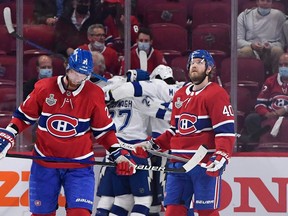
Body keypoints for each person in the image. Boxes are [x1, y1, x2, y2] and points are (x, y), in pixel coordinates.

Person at [0, 48, 136, 216]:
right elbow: (23, 117)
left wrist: (118, 154)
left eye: (83, 75)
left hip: (79, 167)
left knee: (80, 213)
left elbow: (104, 132)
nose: (78, 79)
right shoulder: (44, 87)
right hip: (45, 164)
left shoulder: (94, 94)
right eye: (75, 73)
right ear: (67, 68)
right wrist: (10, 133)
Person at [133, 49, 236, 216]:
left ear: (209, 68)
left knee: (206, 212)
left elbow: (225, 132)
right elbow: (175, 131)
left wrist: (221, 156)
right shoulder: (180, 95)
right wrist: (153, 145)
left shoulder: (217, 94)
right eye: (192, 63)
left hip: (203, 164)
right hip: (177, 165)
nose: (194, 66)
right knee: (173, 211)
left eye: (199, 62)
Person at [95, 69, 171, 216]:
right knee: (144, 201)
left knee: (117, 199)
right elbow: (165, 112)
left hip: (114, 149)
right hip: (136, 149)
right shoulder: (140, 97)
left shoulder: (112, 93)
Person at [238, 52, 288, 150]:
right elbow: (259, 104)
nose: (283, 67)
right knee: (251, 118)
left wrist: (284, 109)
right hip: (271, 114)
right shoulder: (270, 81)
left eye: (286, 65)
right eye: (281, 65)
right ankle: (258, 146)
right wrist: (266, 114)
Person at [237, 0, 286, 75]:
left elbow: (282, 43)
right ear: (257, 2)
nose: (265, 3)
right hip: (251, 48)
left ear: (272, 3)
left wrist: (270, 46)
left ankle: (277, 81)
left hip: (270, 49)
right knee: (245, 51)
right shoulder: (244, 16)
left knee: (278, 51)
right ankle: (246, 80)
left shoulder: (279, 16)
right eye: (262, 0)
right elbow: (238, 40)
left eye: (268, 1)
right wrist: (251, 45)